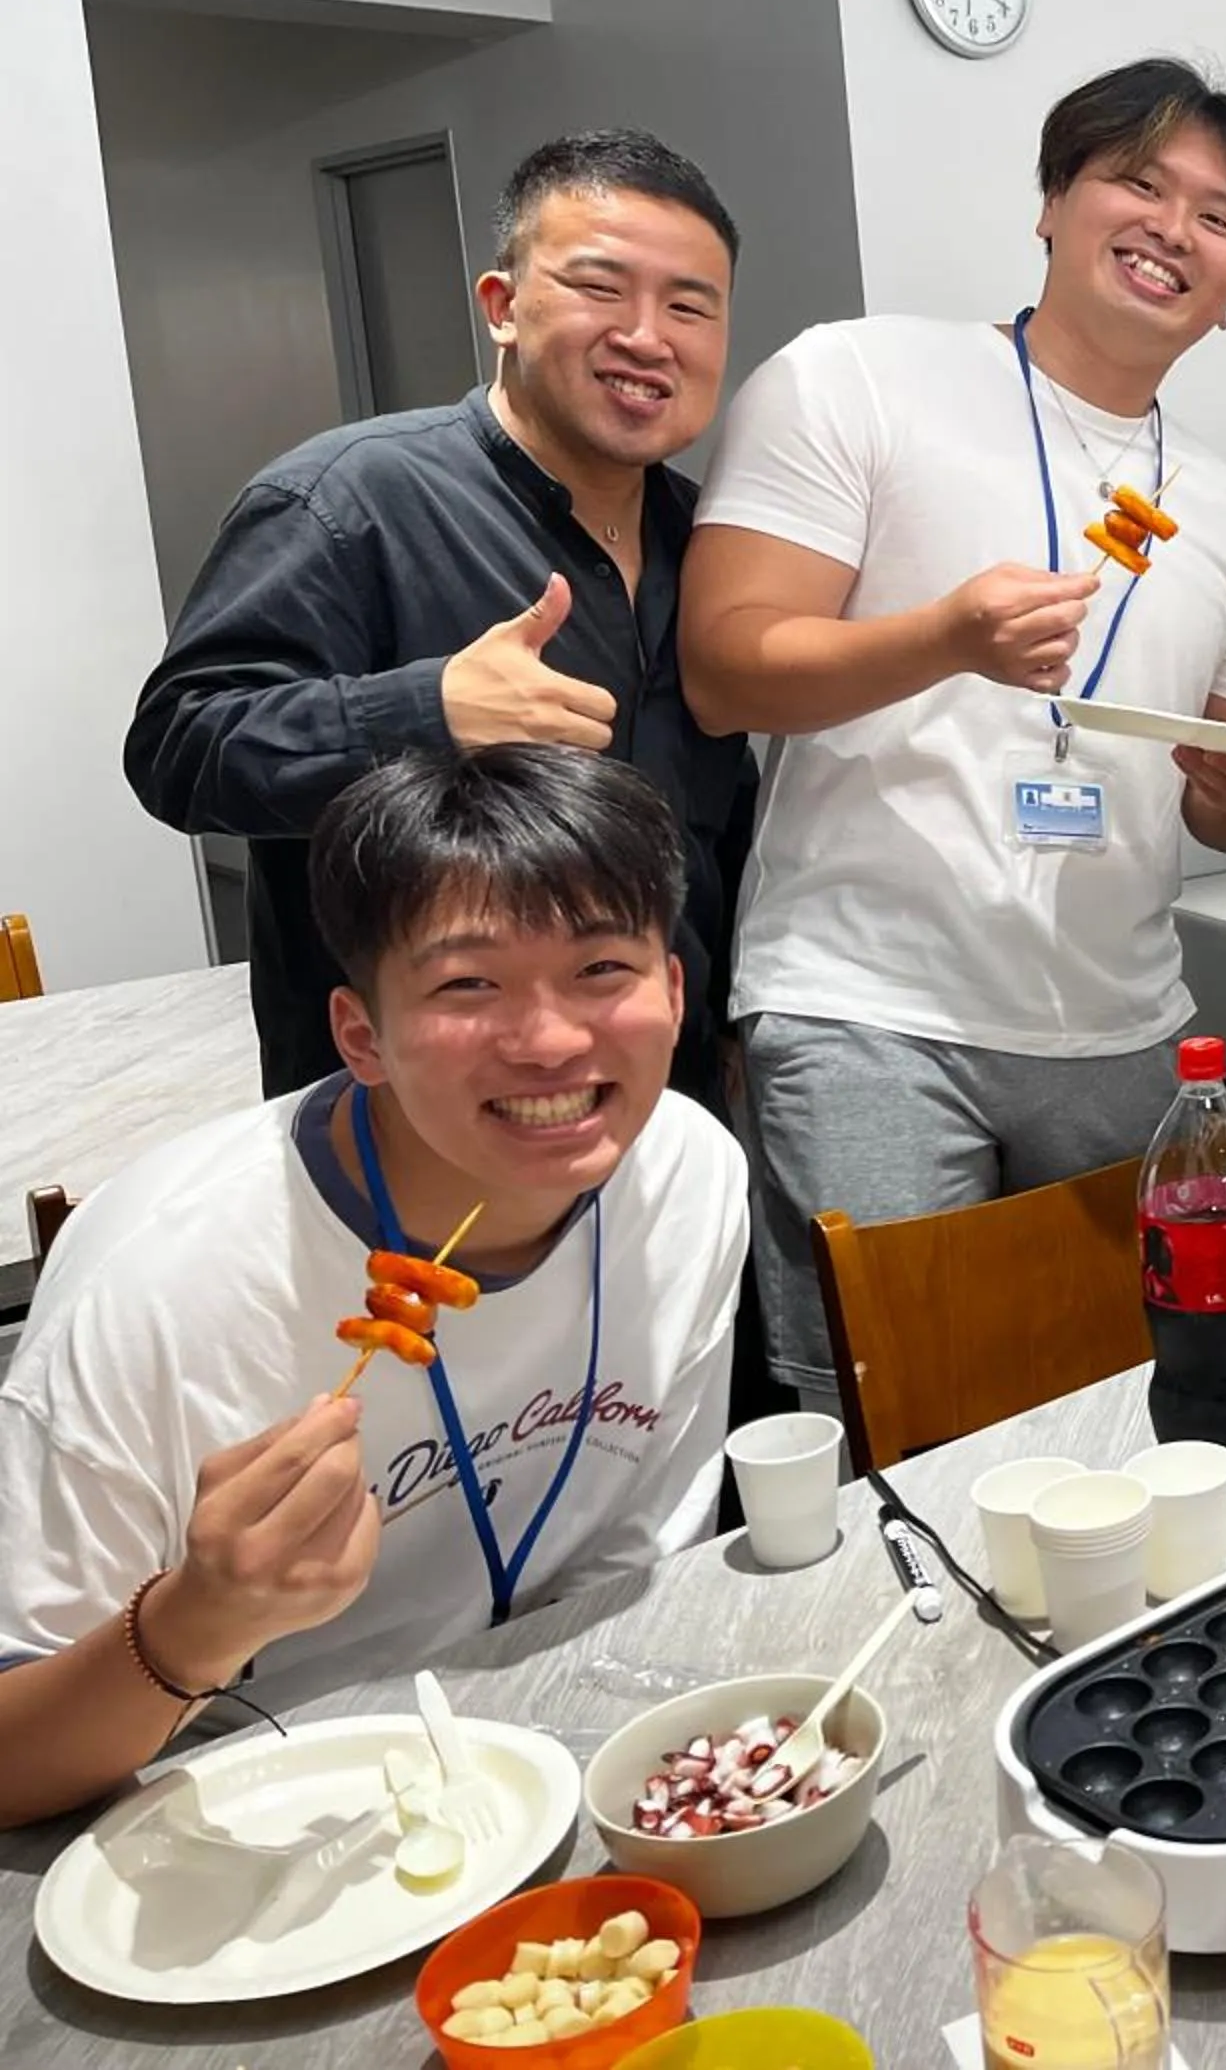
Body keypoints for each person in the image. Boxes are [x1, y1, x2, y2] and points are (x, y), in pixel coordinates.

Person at [681, 58, 1226, 1401]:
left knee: (1120, 1391)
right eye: (1138, 181)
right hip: (870, 1010)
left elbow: (1218, 800)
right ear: (1052, 201)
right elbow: (726, 664)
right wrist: (947, 639)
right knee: (895, 1399)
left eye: (1217, 215)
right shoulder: (856, 379)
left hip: (1126, 1024)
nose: (1171, 228)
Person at [0, 746, 746, 1827]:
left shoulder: (688, 1172)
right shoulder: (159, 1284)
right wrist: (196, 1624)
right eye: (467, 984)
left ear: (674, 992)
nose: (548, 1040)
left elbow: (637, 1565)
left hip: (566, 1763)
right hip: (237, 1819)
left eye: (601, 970)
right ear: (361, 1034)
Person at [124, 130, 754, 1113]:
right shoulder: (347, 500)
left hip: (660, 1111)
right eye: (600, 288)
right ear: (503, 308)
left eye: (688, 305)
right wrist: (429, 714)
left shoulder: (705, 536)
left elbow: (720, 824)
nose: (646, 335)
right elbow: (179, 748)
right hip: (414, 1124)